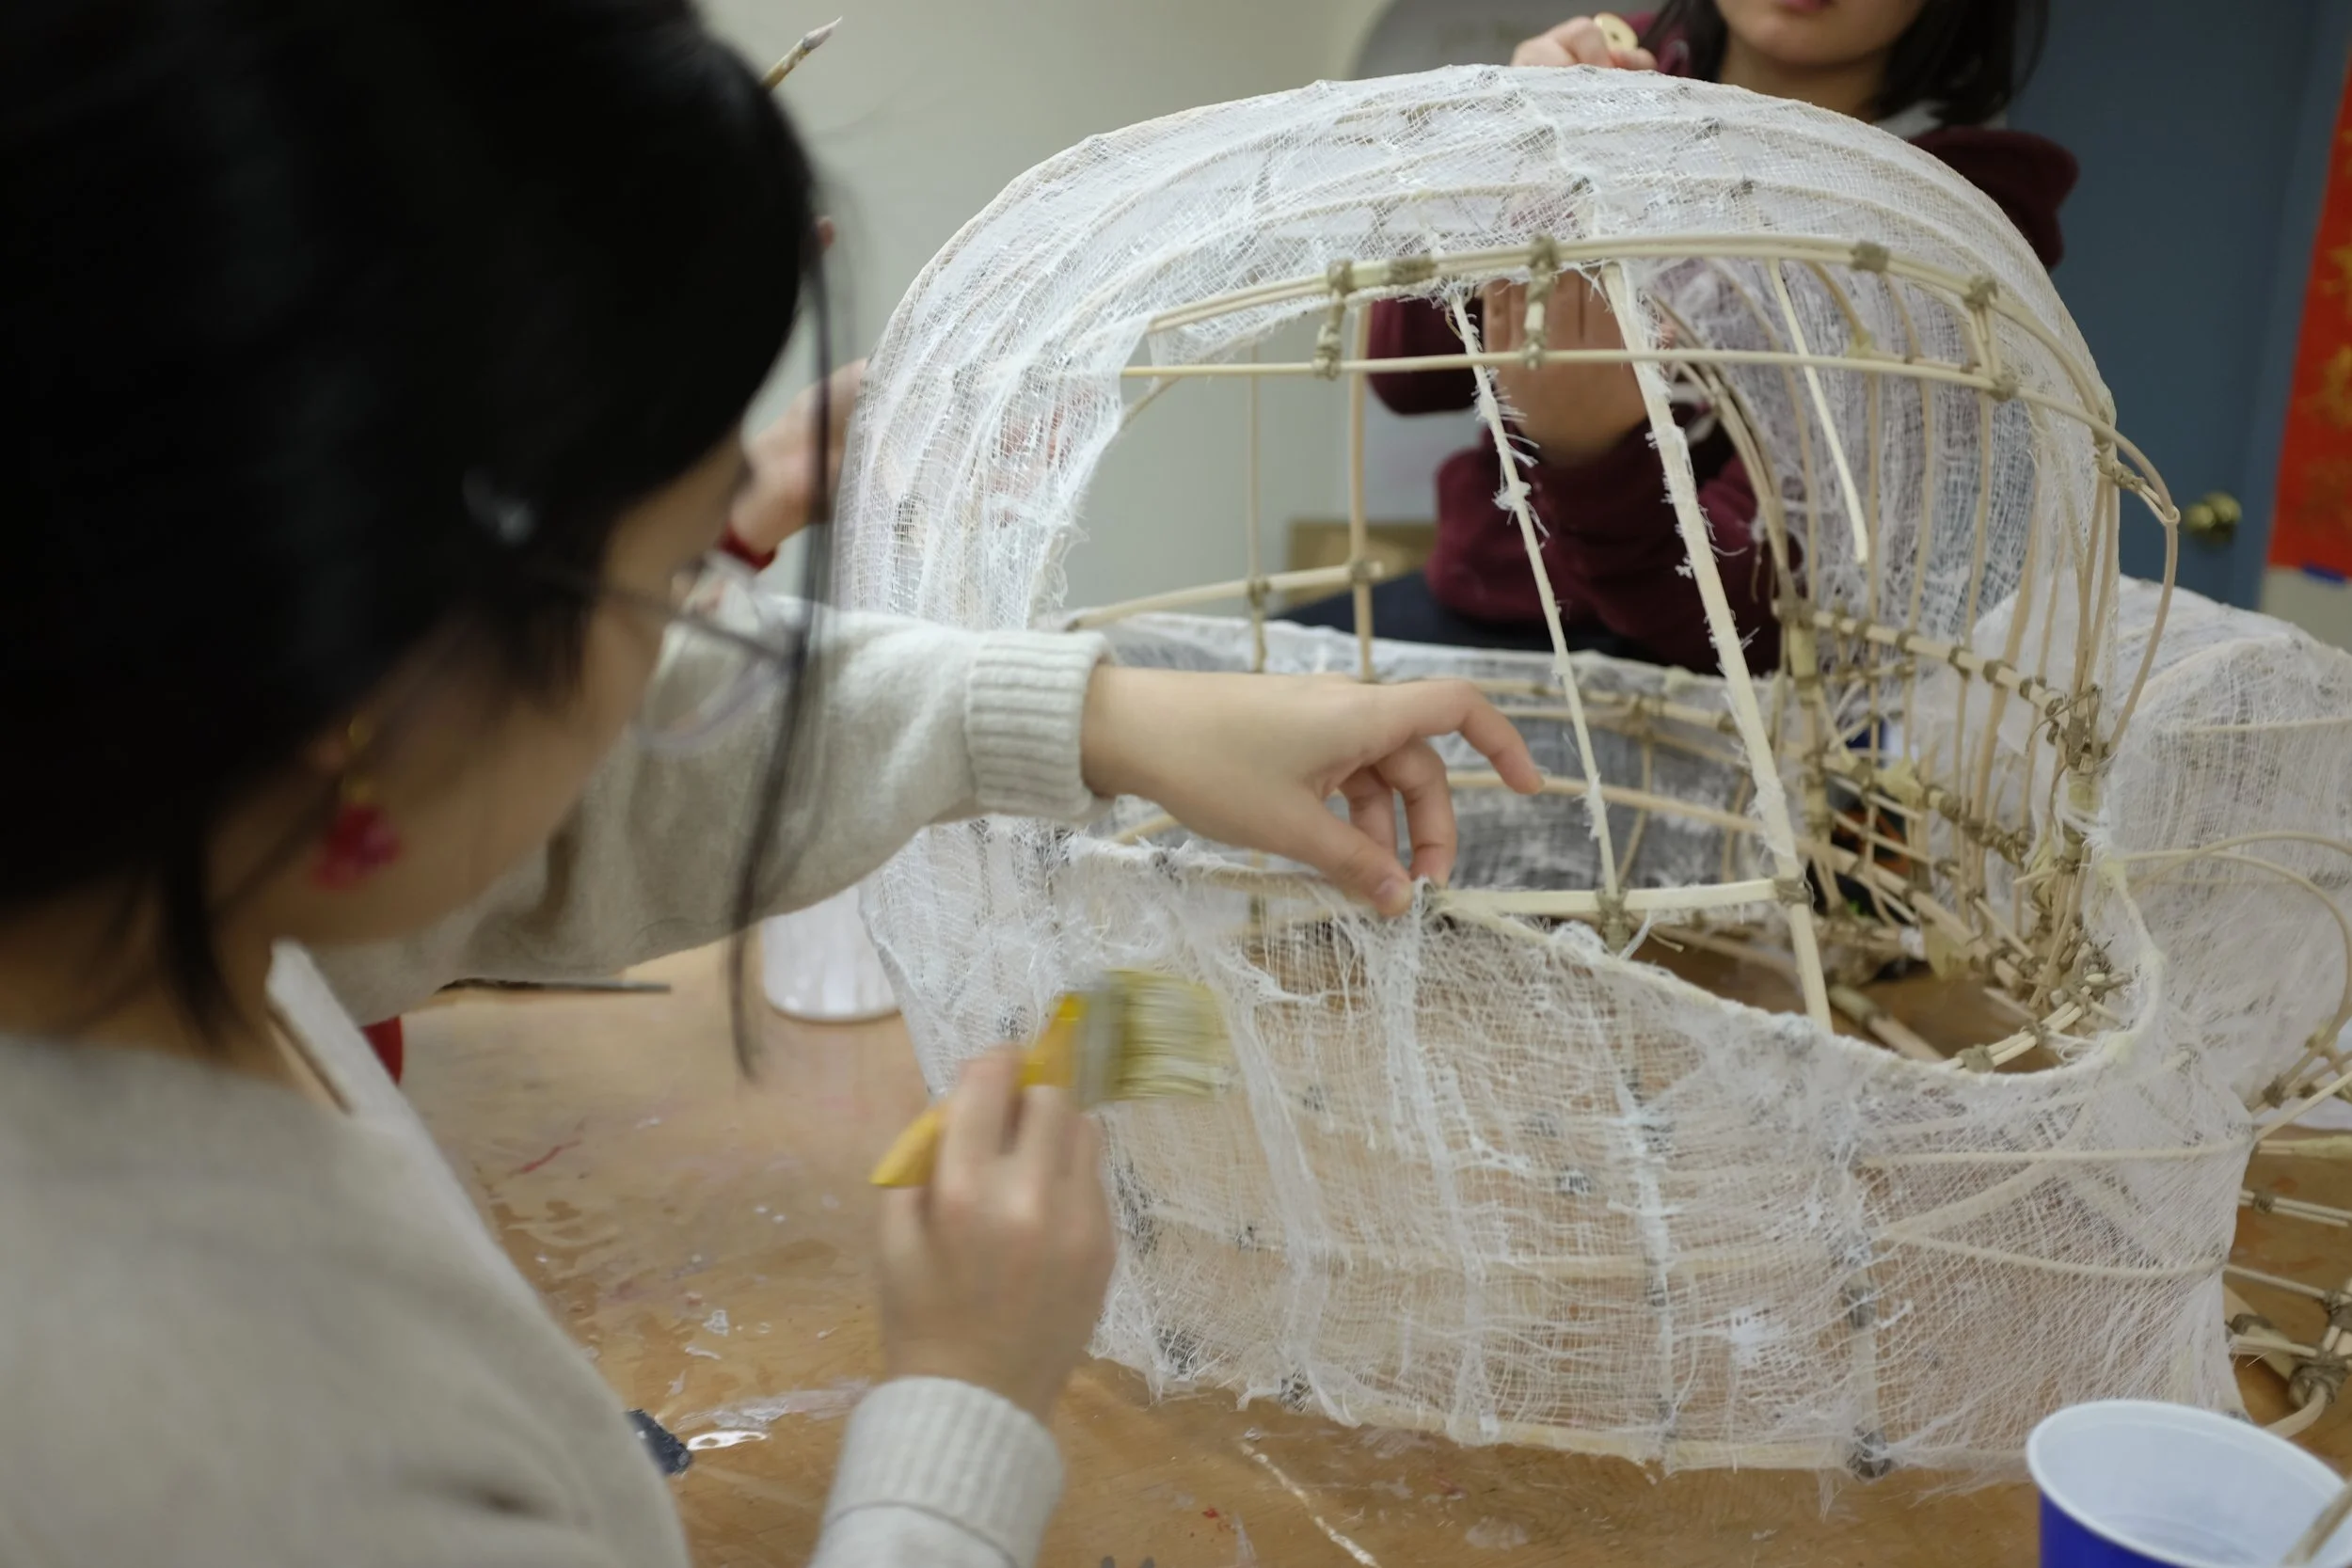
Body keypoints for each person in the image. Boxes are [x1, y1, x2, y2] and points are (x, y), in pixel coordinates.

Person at [0, 4, 1542, 1565]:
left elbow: (608, 770)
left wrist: (1096, 719)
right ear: (366, 700)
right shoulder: (214, 1451)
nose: (697, 636)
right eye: (680, 571)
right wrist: (959, 1413)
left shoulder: (144, 836)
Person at [1283, 0, 2074, 674]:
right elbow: (1406, 371)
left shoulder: (1949, 218)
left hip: (1716, 697)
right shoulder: (1617, 68)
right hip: (1480, 602)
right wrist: (1503, 143)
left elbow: (1765, 613)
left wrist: (1588, 447)